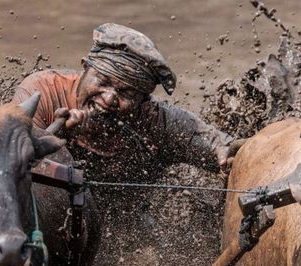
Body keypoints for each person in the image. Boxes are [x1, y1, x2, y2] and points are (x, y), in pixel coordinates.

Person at [12, 23, 240, 181]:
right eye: (102, 81)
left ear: (144, 101)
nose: (110, 98)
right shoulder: (42, 93)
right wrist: (59, 136)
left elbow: (227, 148)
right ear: (84, 68)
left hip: (126, 220)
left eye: (127, 93)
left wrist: (224, 156)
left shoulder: (156, 122)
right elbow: (12, 161)